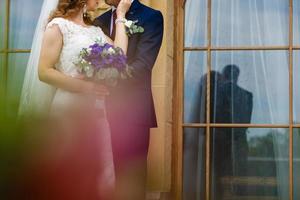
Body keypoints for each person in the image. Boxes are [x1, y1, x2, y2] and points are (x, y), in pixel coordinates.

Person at [18, 0, 132, 199]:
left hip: (97, 112)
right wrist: (86, 87)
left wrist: (121, 16)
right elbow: (44, 72)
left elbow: (120, 56)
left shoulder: (95, 31)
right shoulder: (58, 27)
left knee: (101, 173)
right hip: (67, 110)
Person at [93, 1, 164, 199]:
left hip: (133, 114)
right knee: (101, 178)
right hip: (98, 112)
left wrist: (108, 79)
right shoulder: (100, 20)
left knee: (131, 181)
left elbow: (142, 66)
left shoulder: (151, 17)